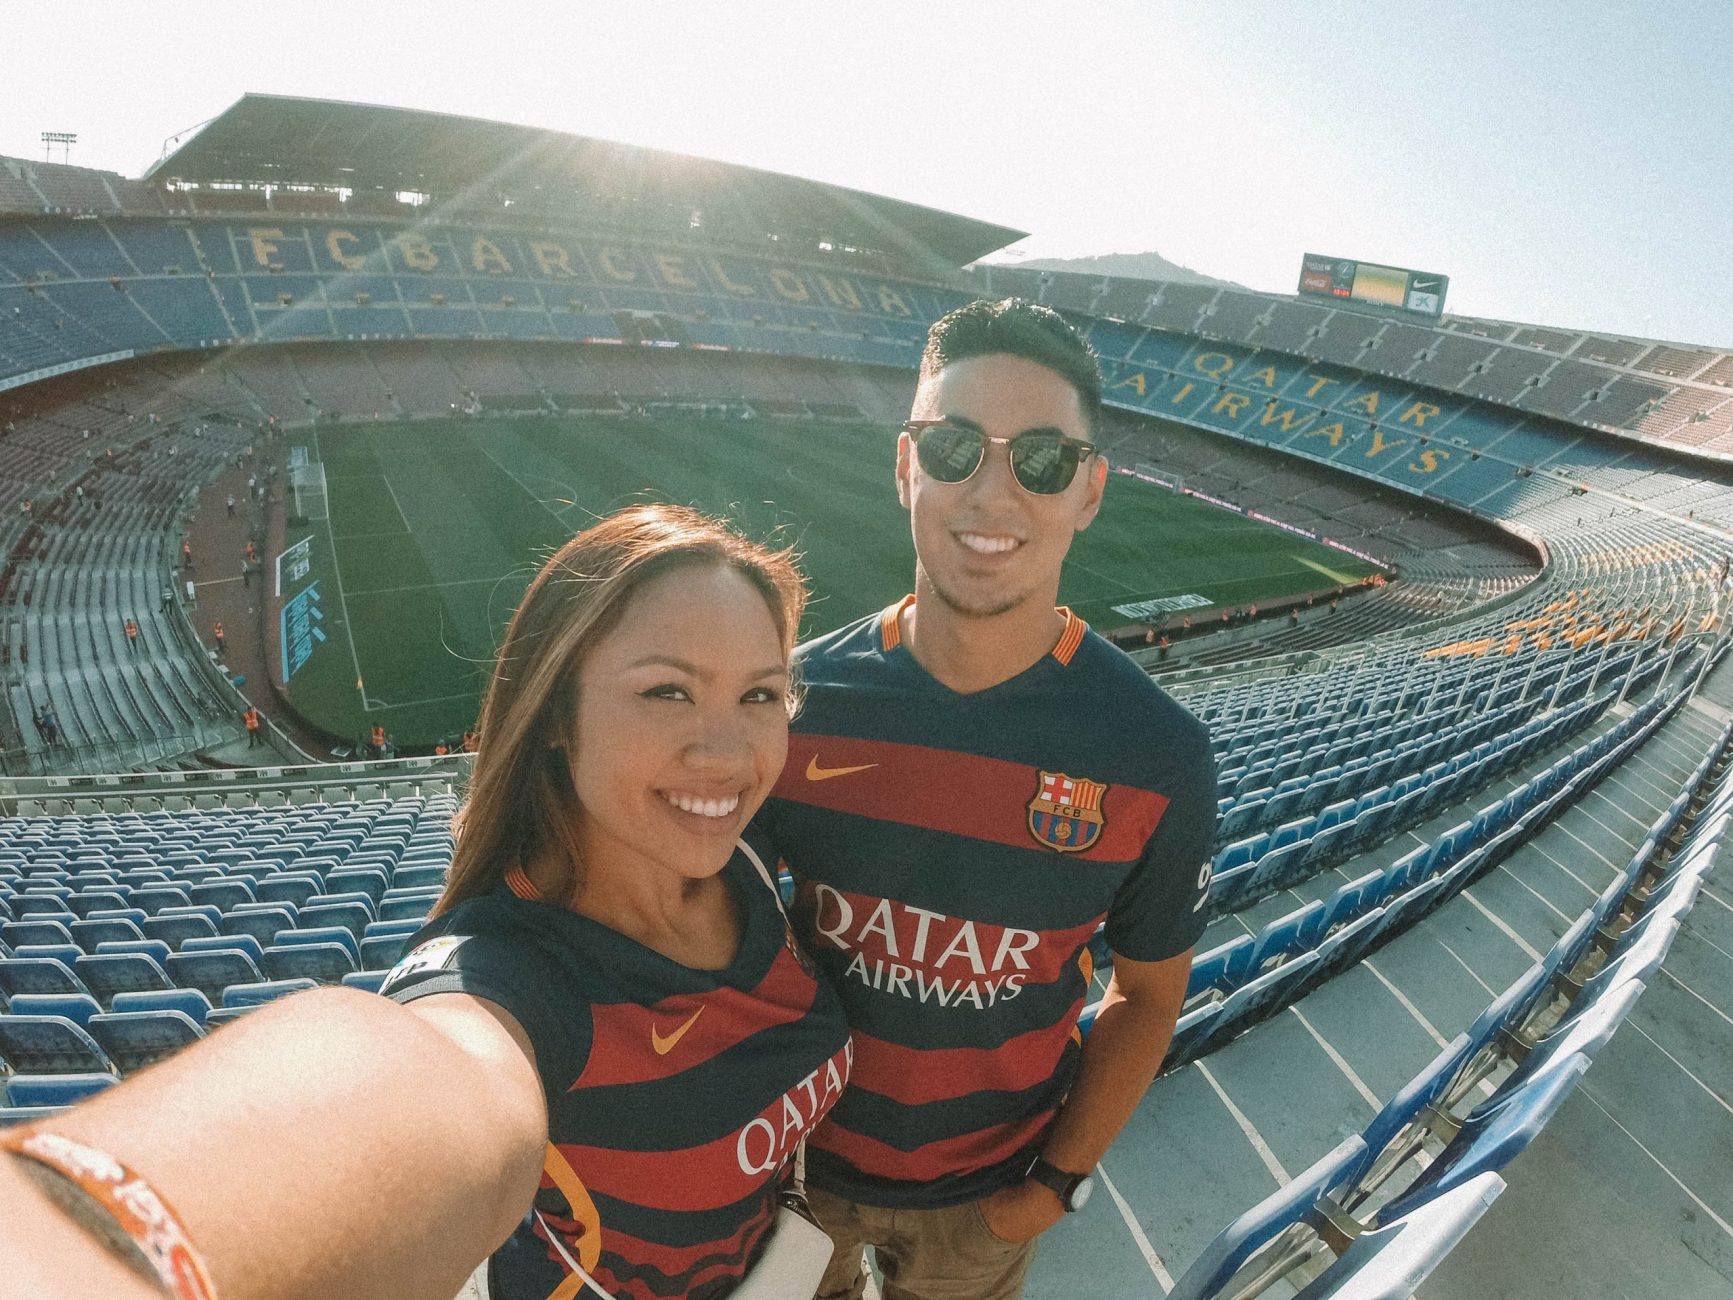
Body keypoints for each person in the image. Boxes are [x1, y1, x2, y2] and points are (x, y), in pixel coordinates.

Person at [0, 504, 852, 1300]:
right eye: (666, 690)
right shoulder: (512, 983)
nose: (726, 752)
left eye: (760, 694)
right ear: (554, 713)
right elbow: (425, 1079)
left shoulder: (742, 857)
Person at [759, 299, 1214, 1300]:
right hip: (790, 1183)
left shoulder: (1157, 754)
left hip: (988, 1197)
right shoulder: (789, 703)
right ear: (903, 466)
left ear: (1088, 490)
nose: (991, 489)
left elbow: (1145, 994)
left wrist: (1052, 1186)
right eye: (954, 444)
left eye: (1042, 458)